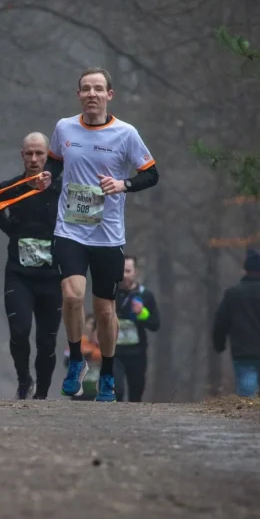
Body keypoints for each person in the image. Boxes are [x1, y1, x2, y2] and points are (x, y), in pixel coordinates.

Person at [46, 67, 160, 402]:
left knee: (106, 310)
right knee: (71, 296)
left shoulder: (126, 134)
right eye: (86, 89)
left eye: (99, 89)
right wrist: (47, 178)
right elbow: (54, 163)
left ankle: (108, 372)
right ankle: (76, 359)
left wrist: (123, 184)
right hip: (70, 229)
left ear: (110, 95)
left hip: (107, 236)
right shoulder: (64, 128)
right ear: (78, 95)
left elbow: (151, 174)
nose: (92, 94)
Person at [0, 132, 63, 399]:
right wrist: (12, 232)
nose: (33, 159)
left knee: (47, 340)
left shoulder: (60, 189)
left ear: (48, 156)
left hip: (53, 276)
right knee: (19, 330)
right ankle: (23, 380)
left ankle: (42, 391)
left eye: (39, 153)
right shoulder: (12, 188)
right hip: (19, 275)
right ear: (22, 155)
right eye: (29, 153)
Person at [212, 249, 260, 397]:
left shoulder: (233, 294)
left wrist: (219, 344)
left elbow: (220, 322)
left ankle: (248, 419)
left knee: (246, 392)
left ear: (245, 269)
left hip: (243, 352)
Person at [113, 255, 160, 402]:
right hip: (114, 353)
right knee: (117, 390)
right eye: (121, 271)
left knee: (136, 393)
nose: (123, 275)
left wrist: (142, 314)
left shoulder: (145, 295)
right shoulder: (110, 293)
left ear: (135, 273)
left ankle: (132, 423)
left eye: (127, 271)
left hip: (137, 353)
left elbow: (155, 324)